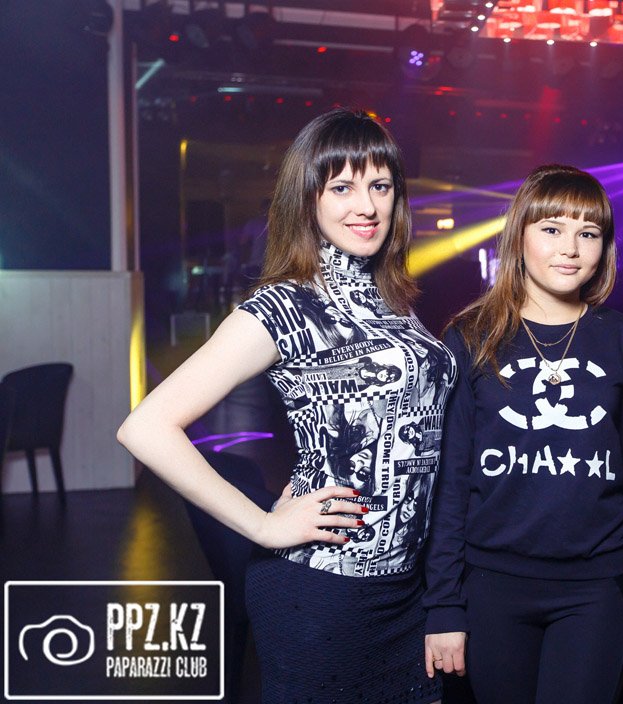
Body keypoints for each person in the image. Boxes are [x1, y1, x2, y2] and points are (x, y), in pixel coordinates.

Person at [118, 108, 455, 704]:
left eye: (380, 186)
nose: (366, 206)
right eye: (342, 187)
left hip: (407, 592)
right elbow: (146, 427)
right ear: (308, 199)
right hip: (319, 593)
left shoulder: (395, 301)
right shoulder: (283, 307)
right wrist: (264, 525)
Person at [423, 164, 623, 704]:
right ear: (520, 235)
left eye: (589, 233)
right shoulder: (472, 338)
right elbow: (450, 481)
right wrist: (443, 605)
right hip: (492, 586)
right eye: (552, 229)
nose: (571, 249)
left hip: (596, 589)